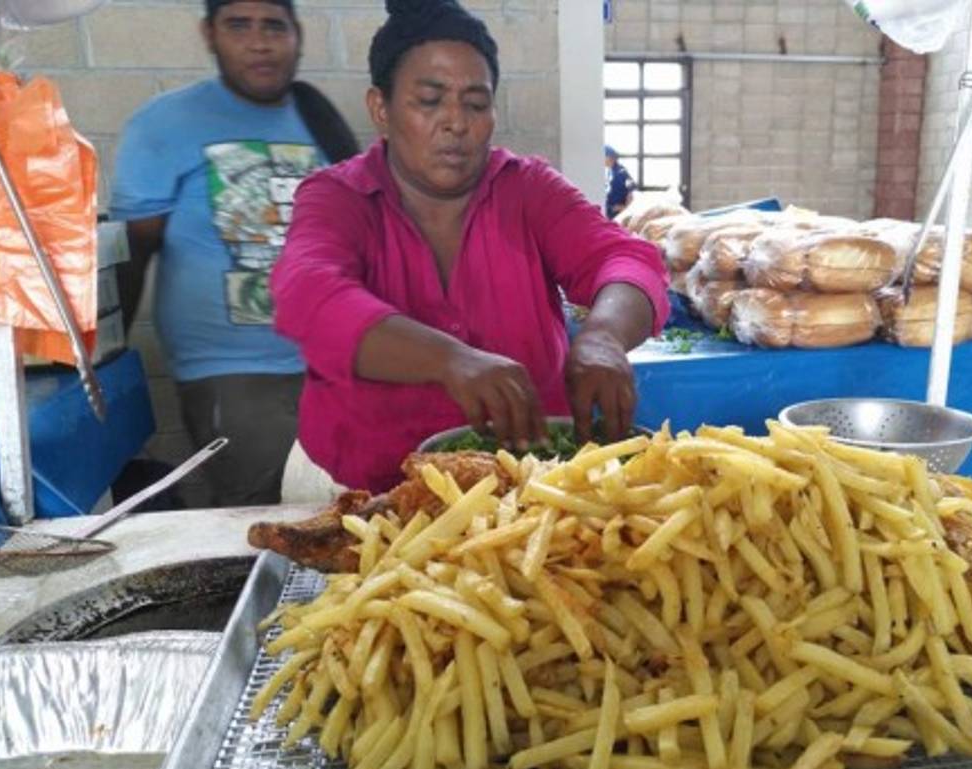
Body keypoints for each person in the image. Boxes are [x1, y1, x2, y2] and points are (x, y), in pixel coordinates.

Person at [270, 0, 668, 496]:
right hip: (360, 491)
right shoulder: (338, 197)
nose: (456, 122)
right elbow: (308, 296)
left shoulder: (529, 190)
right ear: (381, 109)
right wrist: (449, 359)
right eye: (430, 101)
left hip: (526, 492)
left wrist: (605, 334)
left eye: (475, 104)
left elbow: (626, 259)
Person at [110, 0, 360, 507]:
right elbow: (133, 253)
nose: (259, 42)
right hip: (232, 373)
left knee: (355, 507)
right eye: (238, 26)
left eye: (274, 26)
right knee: (285, 513)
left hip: (332, 364)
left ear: (297, 35)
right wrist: (108, 362)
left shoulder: (318, 118)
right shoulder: (163, 125)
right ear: (209, 34)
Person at [604, 145, 635, 219]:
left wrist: (626, 208)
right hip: (610, 208)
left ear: (610, 158)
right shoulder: (610, 171)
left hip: (617, 211)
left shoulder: (621, 171)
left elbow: (631, 189)